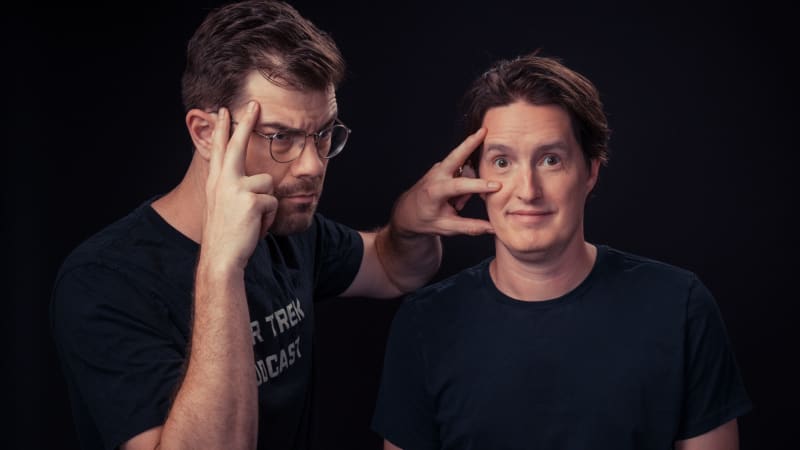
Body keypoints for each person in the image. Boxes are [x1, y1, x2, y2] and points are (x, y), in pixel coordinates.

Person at [49, 1, 502, 449]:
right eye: (281, 137)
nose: (311, 165)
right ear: (206, 133)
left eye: (323, 133)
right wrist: (222, 267)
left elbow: (393, 268)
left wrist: (410, 221)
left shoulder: (287, 228)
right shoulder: (104, 282)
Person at [371, 53, 752, 449]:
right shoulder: (425, 324)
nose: (528, 190)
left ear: (591, 171)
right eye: (502, 162)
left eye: (550, 160)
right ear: (472, 177)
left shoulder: (680, 308)